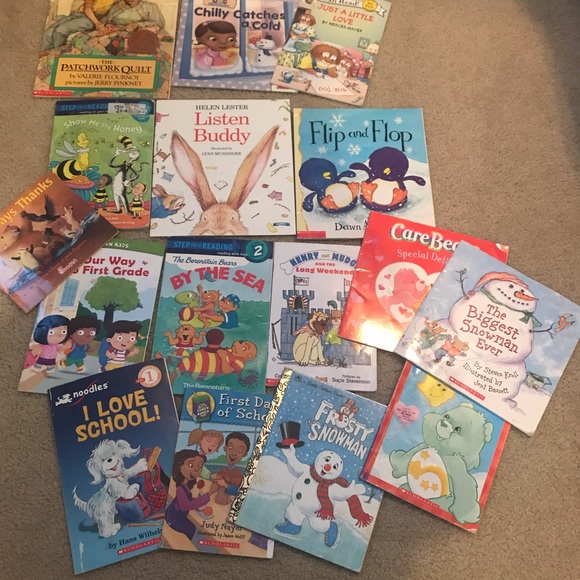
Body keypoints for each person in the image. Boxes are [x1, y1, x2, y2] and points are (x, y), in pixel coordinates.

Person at [164, 450, 215, 542]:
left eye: (200, 466)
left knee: (192, 528)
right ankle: (183, 543)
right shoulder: (180, 489)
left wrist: (199, 503)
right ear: (179, 465)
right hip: (173, 519)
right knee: (191, 529)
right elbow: (186, 506)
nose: (196, 469)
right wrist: (209, 493)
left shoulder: (185, 485)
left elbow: (188, 500)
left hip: (178, 516)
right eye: (191, 465)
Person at [42, 0, 117, 50]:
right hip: (80, 14)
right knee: (49, 31)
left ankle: (59, 52)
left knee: (60, 30)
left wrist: (97, 23)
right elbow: (87, 8)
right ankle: (45, 51)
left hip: (91, 20)